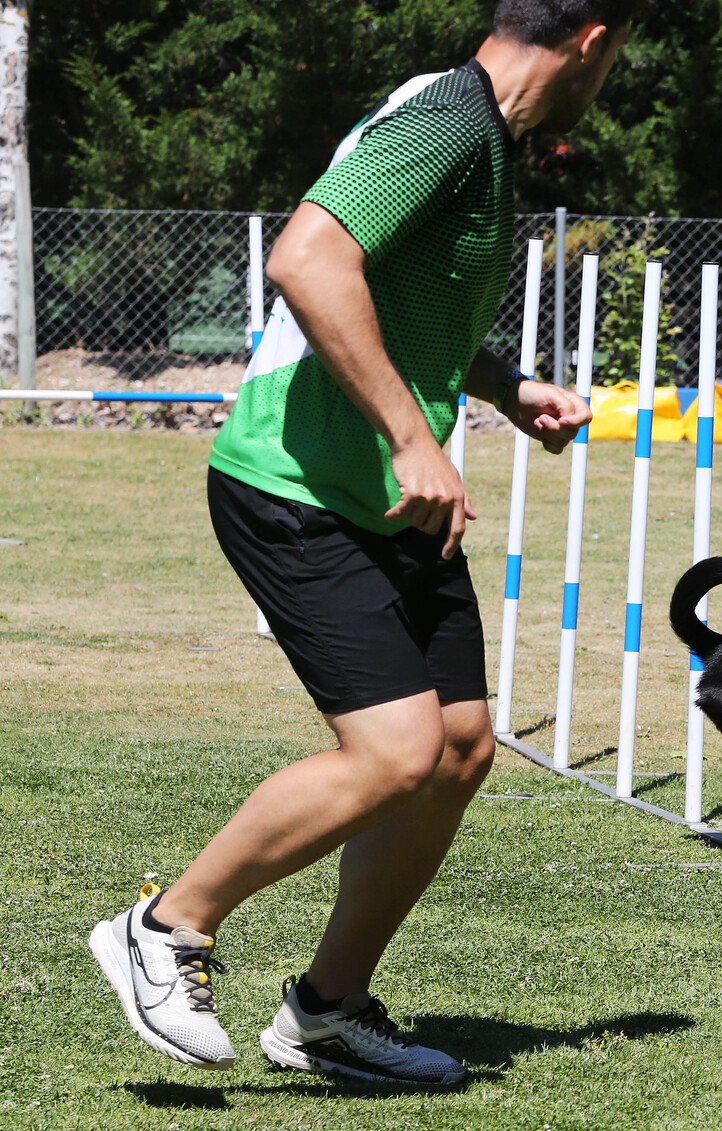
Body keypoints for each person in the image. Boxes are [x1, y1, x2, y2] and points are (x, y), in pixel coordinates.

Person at [88, 0, 636, 1087]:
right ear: (592, 41)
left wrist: (504, 386)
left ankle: (327, 1012)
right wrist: (409, 438)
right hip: (299, 487)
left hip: (386, 499)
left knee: (462, 747)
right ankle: (167, 926)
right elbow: (309, 258)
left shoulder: (480, 137)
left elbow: (398, 294)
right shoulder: (446, 123)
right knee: (394, 756)